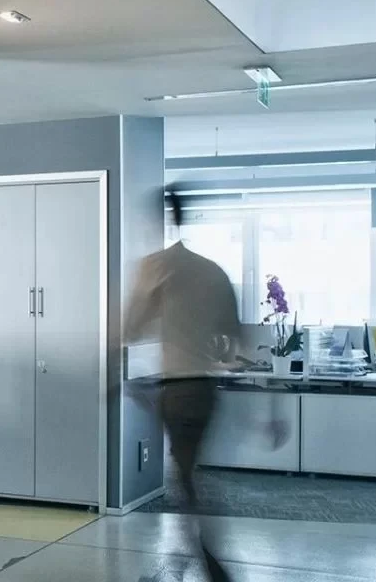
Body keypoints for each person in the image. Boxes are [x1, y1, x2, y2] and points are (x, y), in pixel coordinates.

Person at [124, 185, 241, 582]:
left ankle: (207, 558)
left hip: (178, 390)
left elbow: (131, 327)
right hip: (205, 389)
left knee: (186, 476)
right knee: (186, 471)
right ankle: (191, 553)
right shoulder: (213, 271)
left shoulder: (156, 268)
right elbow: (232, 339)